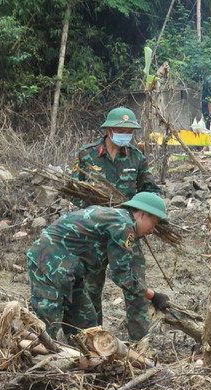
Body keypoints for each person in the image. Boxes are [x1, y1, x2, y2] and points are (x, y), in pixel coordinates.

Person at [27, 192, 171, 341]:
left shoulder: (118, 219)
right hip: (49, 261)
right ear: (142, 214)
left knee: (87, 323)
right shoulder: (123, 225)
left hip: (70, 268)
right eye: (154, 223)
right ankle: (31, 351)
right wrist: (153, 295)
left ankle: (82, 354)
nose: (152, 230)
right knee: (47, 324)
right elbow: (121, 276)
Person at [72, 107, 162, 327]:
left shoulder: (136, 157)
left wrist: (137, 210)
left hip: (127, 233)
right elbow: (74, 191)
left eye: (129, 131)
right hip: (94, 234)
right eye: (121, 130)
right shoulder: (87, 155)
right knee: (90, 289)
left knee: (135, 284)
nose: (125, 135)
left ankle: (139, 339)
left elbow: (151, 191)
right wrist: (97, 208)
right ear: (109, 130)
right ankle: (93, 337)